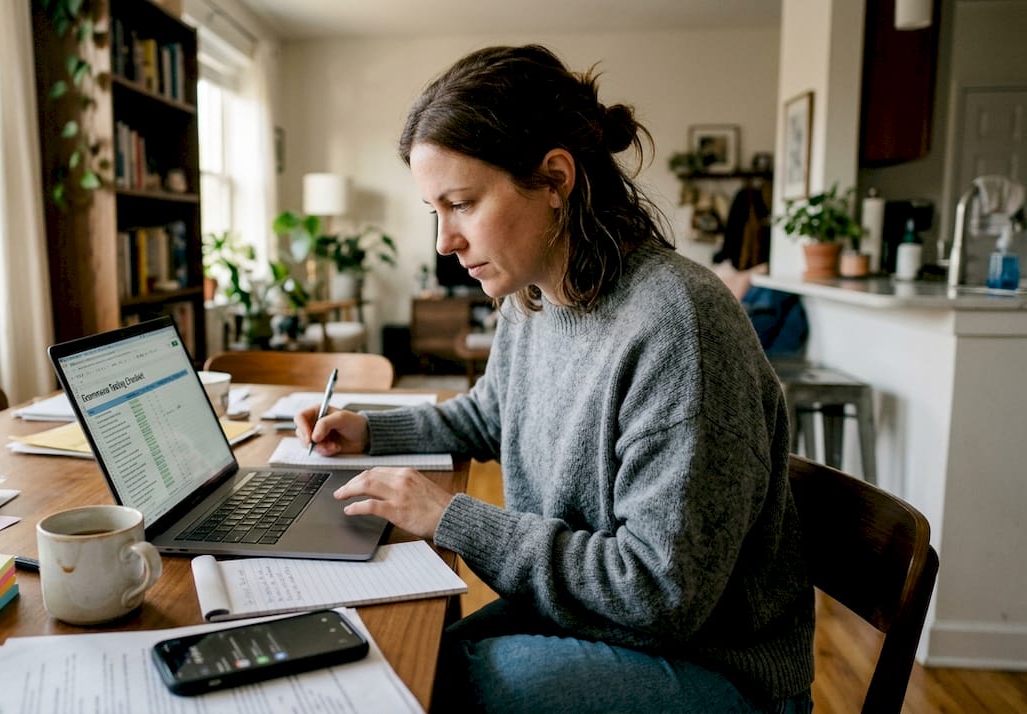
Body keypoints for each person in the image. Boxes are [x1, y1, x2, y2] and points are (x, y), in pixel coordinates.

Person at [297, 45, 814, 713]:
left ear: (554, 179)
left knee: (428, 676)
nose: (443, 242)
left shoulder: (677, 325)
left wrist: (451, 517)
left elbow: (659, 594)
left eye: (461, 203)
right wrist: (370, 430)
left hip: (710, 665)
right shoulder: (535, 297)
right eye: (436, 211)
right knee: (400, 646)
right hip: (601, 622)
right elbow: (489, 415)